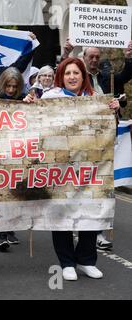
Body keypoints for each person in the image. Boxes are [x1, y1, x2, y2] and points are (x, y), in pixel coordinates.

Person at [39, 57, 120, 280]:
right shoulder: (50, 98)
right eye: (67, 73)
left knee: (91, 211)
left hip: (91, 168)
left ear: (83, 77)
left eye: (76, 73)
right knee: (61, 212)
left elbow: (110, 131)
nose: (72, 77)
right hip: (61, 168)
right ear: (61, 77)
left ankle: (86, 260)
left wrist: (113, 110)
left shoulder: (95, 99)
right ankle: (66, 262)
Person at [60, 40, 132, 249]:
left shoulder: (106, 78)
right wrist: (66, 53)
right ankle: (72, 221)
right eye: (90, 57)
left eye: (96, 57)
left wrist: (128, 57)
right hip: (78, 144)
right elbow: (60, 82)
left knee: (100, 186)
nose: (94, 60)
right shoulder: (77, 83)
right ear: (82, 59)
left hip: (105, 141)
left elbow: (123, 81)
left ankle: (97, 231)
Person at [0, 67, 26, 251]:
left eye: (14, 87)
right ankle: (1, 235)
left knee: (14, 194)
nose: (10, 90)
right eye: (8, 86)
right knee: (1, 193)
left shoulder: (23, 98)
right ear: (2, 84)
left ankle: (10, 230)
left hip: (17, 152)